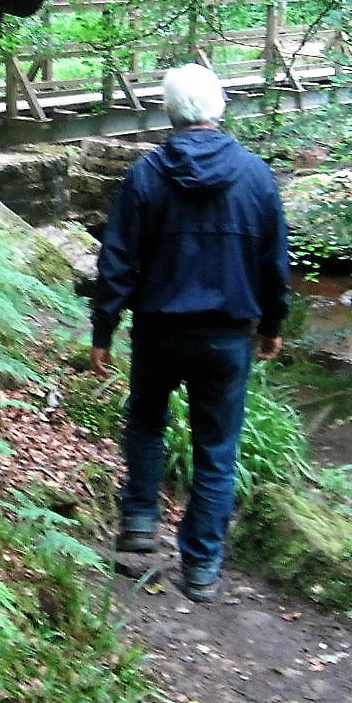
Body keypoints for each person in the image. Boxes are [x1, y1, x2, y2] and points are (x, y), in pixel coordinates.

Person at [89, 63, 289, 603]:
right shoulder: (255, 175)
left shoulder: (145, 175)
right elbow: (275, 263)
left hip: (158, 330)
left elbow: (117, 262)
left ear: (169, 112)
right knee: (216, 449)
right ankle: (201, 567)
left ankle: (139, 520)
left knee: (146, 421)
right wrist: (272, 325)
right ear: (219, 107)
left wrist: (103, 329)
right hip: (227, 336)